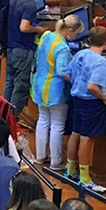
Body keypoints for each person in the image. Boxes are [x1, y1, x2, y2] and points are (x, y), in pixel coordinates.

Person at [32, 15, 81, 172]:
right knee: (57, 125)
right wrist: (77, 79)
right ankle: (56, 161)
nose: (76, 37)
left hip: (40, 85)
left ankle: (40, 156)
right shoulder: (63, 48)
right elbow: (62, 71)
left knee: (43, 120)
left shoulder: (47, 35)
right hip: (55, 90)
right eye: (76, 34)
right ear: (69, 31)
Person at [65, 26, 106, 184]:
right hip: (91, 103)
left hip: (76, 99)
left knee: (75, 133)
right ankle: (85, 178)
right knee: (87, 139)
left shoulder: (80, 54)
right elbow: (92, 86)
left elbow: (67, 73)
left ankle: (70, 169)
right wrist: (103, 97)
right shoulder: (101, 62)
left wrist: (78, 83)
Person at [4, 0, 48, 117]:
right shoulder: (30, 5)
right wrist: (38, 30)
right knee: (21, 85)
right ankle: (13, 117)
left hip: (11, 46)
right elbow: (24, 27)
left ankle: (4, 113)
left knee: (9, 82)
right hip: (23, 49)